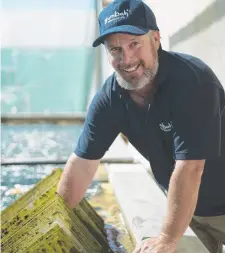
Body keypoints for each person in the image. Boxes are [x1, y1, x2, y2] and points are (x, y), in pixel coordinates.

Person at [57, 0, 225, 252]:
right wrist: (59, 218)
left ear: (156, 39)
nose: (127, 59)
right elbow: (82, 164)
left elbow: (190, 168)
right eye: (115, 50)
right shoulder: (109, 99)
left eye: (134, 44)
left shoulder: (192, 81)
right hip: (189, 211)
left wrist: (167, 239)